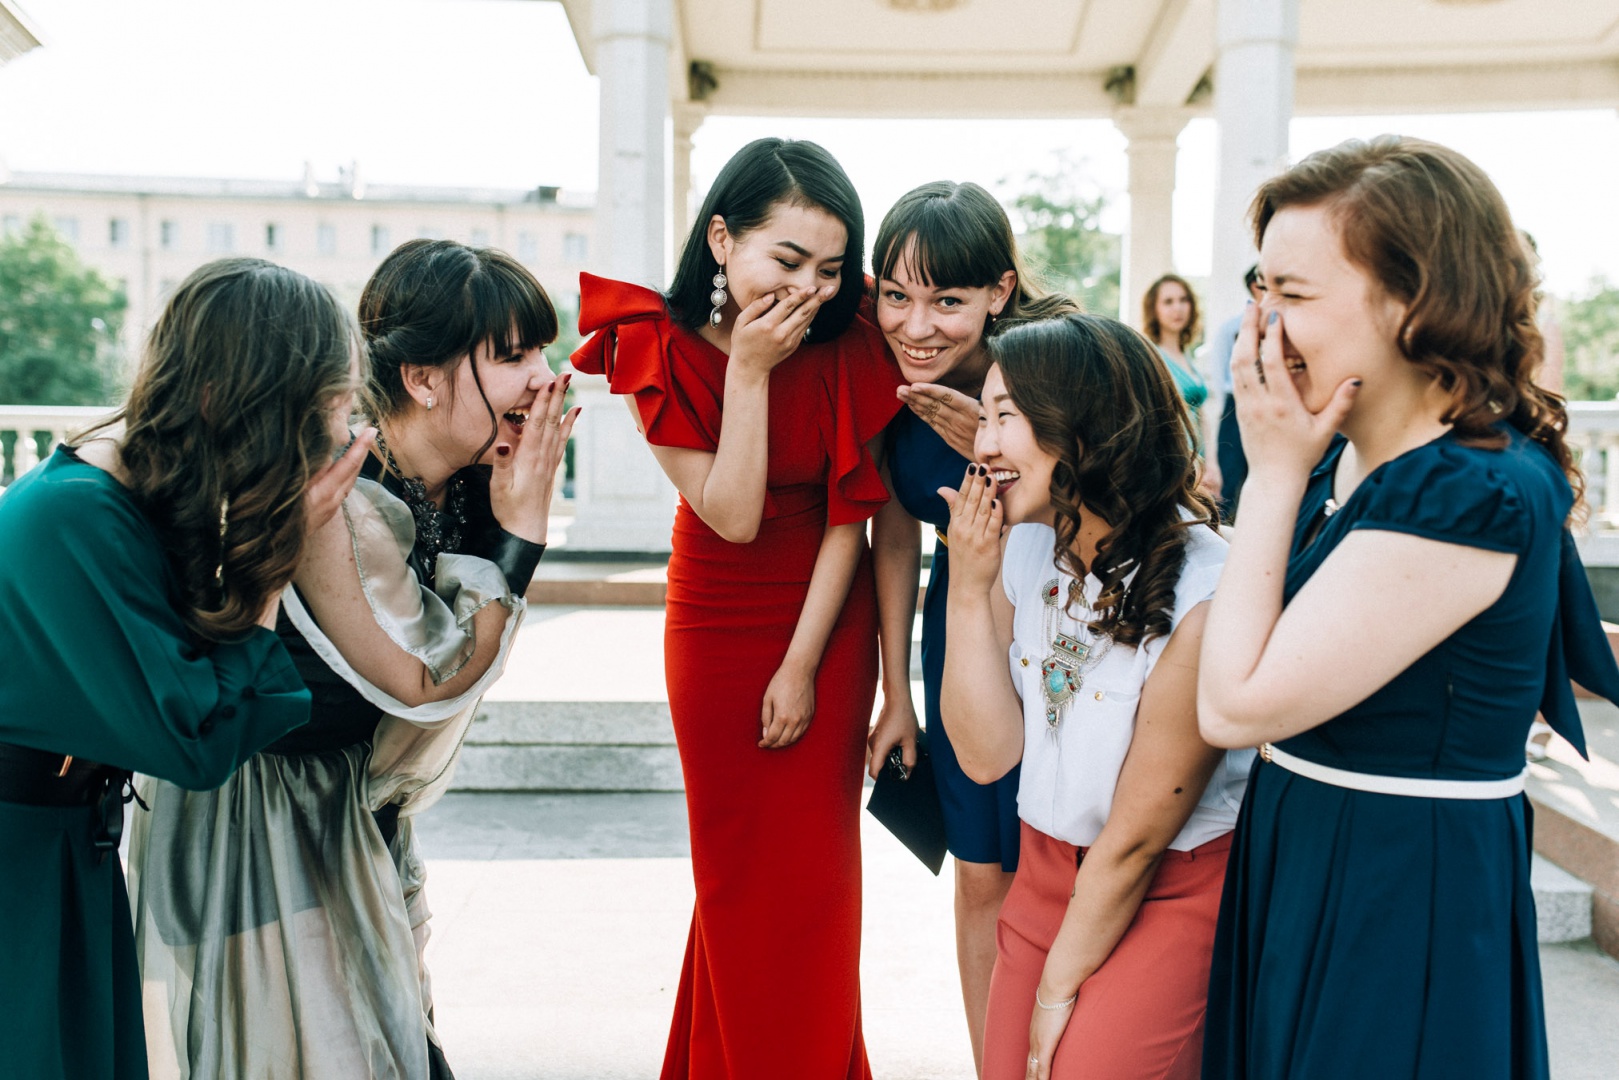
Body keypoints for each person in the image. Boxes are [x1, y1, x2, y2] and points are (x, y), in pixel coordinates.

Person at [1198, 136, 1619, 1080]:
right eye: (1259, 288)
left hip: (1398, 880)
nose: (1259, 326)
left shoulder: (1467, 490)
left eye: (1292, 294)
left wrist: (1271, 474)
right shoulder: (1345, 455)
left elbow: (1232, 705)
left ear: (1412, 303)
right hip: (1303, 841)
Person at [129, 240, 575, 1080]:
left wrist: (508, 516)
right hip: (262, 820)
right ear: (424, 379)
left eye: (542, 353)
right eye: (514, 356)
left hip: (354, 810)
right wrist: (521, 535)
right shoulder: (347, 488)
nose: (544, 379)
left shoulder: (471, 480)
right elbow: (427, 680)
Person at [572, 137, 903, 1080]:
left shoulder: (850, 332)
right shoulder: (651, 341)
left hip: (827, 626)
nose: (810, 288)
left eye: (830, 268)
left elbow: (851, 521)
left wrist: (803, 665)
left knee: (812, 887)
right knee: (735, 879)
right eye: (787, 260)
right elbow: (731, 513)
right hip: (715, 622)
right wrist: (749, 371)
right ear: (721, 239)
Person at [0, 258, 371, 1080]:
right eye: (330, 405)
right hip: (19, 854)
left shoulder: (126, 488)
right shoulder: (76, 514)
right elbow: (196, 738)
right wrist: (278, 554)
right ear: (243, 403)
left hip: (62, 839)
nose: (342, 434)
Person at [939, 313, 1245, 1080]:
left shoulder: (1206, 589)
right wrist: (967, 592)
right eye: (982, 418)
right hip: (1042, 876)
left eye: (1004, 416)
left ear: (1082, 425)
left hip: (1167, 888)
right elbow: (986, 757)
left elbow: (1135, 842)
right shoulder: (1025, 545)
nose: (982, 445)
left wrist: (1055, 991)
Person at [863, 179, 1075, 1075]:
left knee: (1054, 864)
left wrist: (986, 443)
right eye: (895, 295)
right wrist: (895, 696)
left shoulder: (1056, 364)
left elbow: (1112, 503)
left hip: (1058, 618)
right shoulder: (884, 376)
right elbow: (893, 532)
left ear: (999, 290)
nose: (916, 326)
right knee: (980, 870)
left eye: (946, 300)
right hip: (958, 616)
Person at [1142, 274, 1219, 497]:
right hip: (1173, 465)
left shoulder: (1187, 355)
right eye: (1168, 301)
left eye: (1183, 300)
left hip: (1200, 462)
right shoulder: (1151, 356)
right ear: (1154, 309)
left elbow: (1200, 414)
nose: (1178, 308)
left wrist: (1212, 464)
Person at [1203, 265, 1264, 517]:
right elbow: (1220, 371)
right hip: (1236, 403)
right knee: (1230, 470)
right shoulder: (1231, 328)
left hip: (1269, 404)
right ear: (1254, 286)